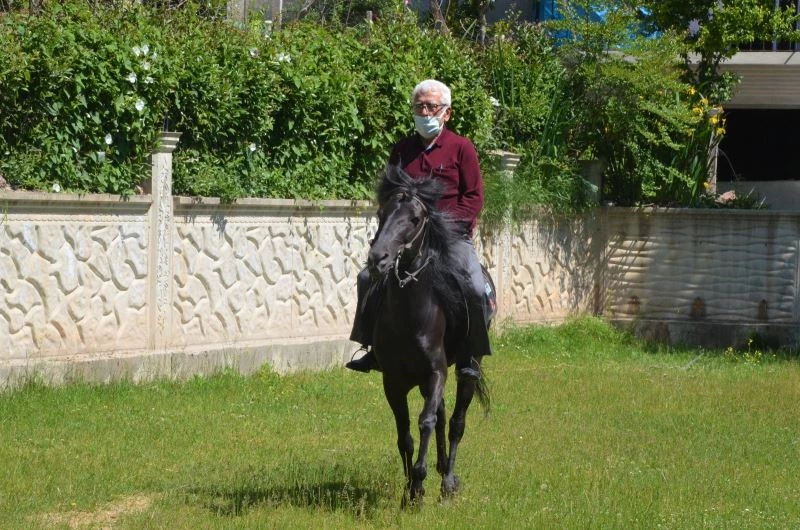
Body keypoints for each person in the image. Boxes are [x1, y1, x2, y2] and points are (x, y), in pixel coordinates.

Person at [346, 79, 493, 381]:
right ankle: (371, 348)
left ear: (446, 113)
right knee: (366, 277)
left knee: (476, 288)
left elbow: (473, 198)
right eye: (419, 106)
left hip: (451, 239)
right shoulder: (402, 150)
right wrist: (388, 233)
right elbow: (389, 198)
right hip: (408, 239)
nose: (424, 112)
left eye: (431, 107)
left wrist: (444, 226)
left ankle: (470, 355)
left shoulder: (462, 148)